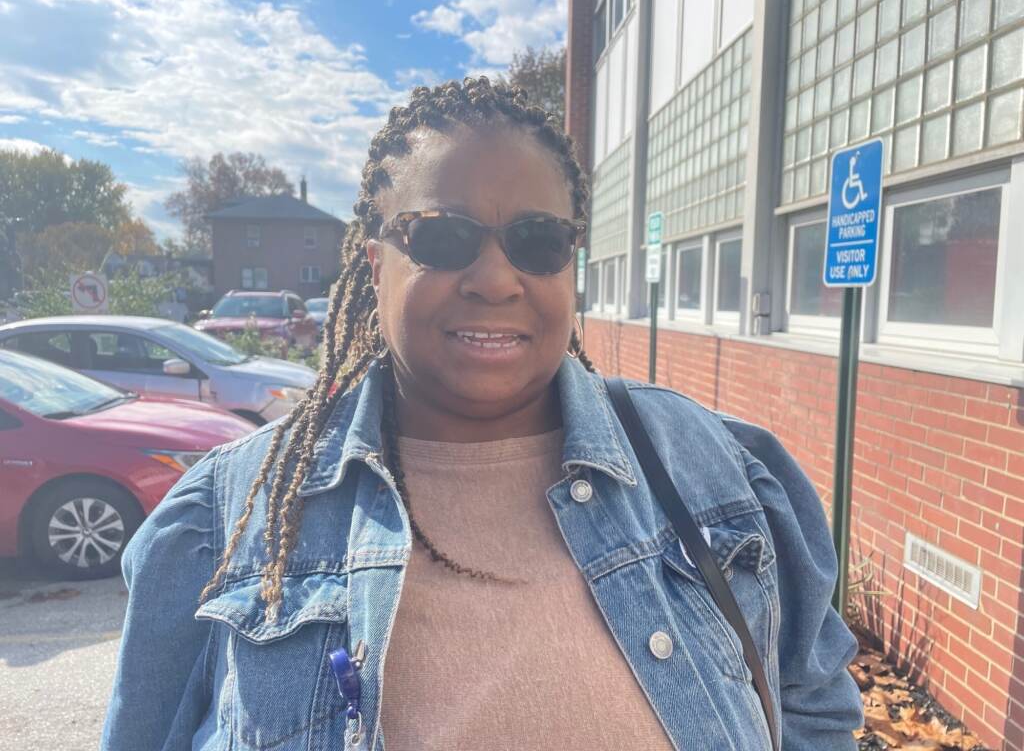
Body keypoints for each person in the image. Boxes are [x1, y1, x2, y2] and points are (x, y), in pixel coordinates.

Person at [102, 77, 863, 751]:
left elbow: (810, 702)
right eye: (442, 237)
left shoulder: (714, 467)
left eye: (538, 241)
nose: (495, 279)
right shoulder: (230, 514)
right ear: (375, 266)